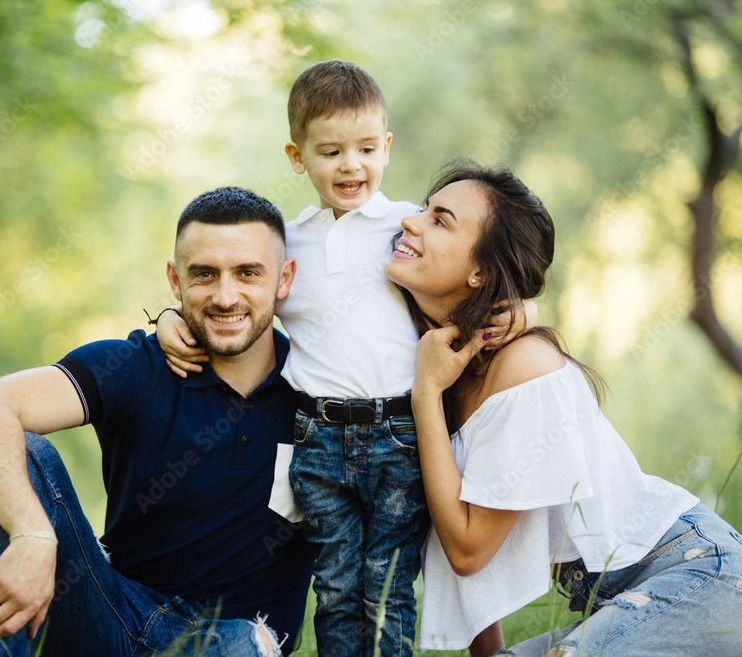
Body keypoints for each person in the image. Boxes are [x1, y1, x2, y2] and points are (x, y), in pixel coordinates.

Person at [158, 60, 533, 657]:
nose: (350, 165)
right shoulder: (289, 240)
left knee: (387, 583)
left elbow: (474, 280)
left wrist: (518, 313)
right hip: (318, 441)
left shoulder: (407, 227)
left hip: (398, 437)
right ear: (297, 156)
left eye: (364, 148)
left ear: (386, 147)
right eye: (330, 152)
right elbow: (237, 300)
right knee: (333, 586)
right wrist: (176, 318)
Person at [385, 158, 742, 656]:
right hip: (627, 597)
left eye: (439, 220)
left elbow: (469, 551)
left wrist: (424, 395)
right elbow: (465, 556)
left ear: (482, 272)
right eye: (425, 209)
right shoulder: (443, 363)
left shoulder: (523, 366)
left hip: (699, 572)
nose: (409, 220)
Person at [0, 186, 316, 656]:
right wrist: (32, 533)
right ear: (175, 280)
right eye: (204, 274)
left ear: (284, 279)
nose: (225, 296)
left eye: (247, 273)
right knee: (23, 457)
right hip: (108, 620)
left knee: (244, 643)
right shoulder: (134, 367)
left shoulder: (321, 389)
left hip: (229, 643)